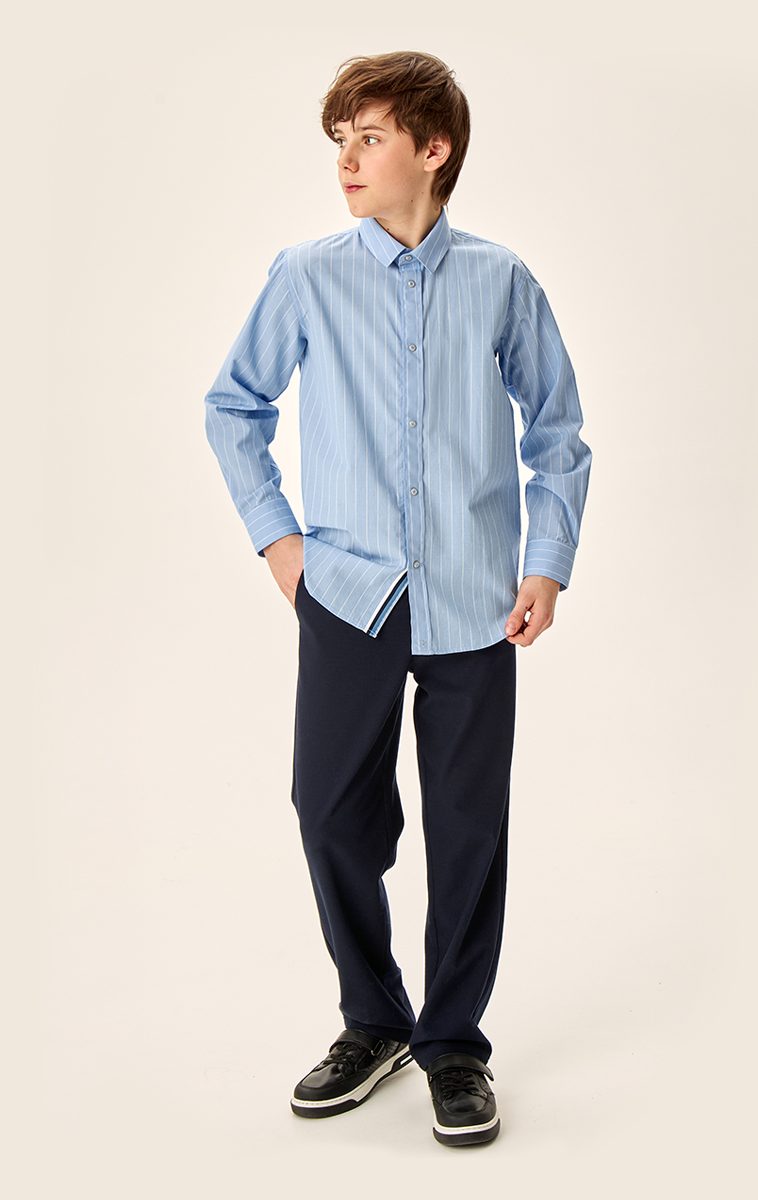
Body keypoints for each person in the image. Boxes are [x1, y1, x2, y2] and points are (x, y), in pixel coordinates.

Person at [204, 50, 591, 1147]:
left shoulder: (503, 281)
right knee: (331, 811)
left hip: (477, 602)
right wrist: (280, 543)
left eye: (369, 137)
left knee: (469, 830)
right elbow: (233, 406)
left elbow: (558, 431)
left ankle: (453, 1045)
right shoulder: (305, 275)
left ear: (434, 149)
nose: (346, 159)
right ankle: (373, 1020)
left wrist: (547, 561)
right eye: (340, 140)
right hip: (346, 594)